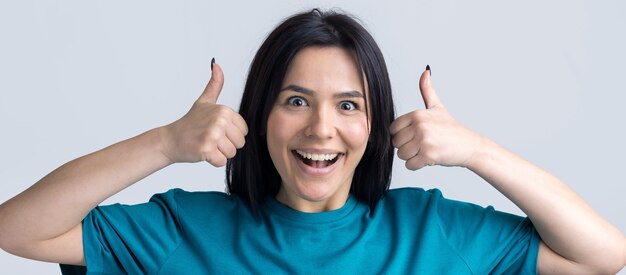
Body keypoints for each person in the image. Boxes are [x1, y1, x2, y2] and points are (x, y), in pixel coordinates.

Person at [0, 8, 625, 274]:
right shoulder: (180, 230)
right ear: (257, 116)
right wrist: (166, 142)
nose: (320, 128)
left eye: (348, 105)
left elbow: (603, 255)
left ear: (375, 126)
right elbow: (17, 229)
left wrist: (479, 151)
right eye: (295, 101)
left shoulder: (435, 231)